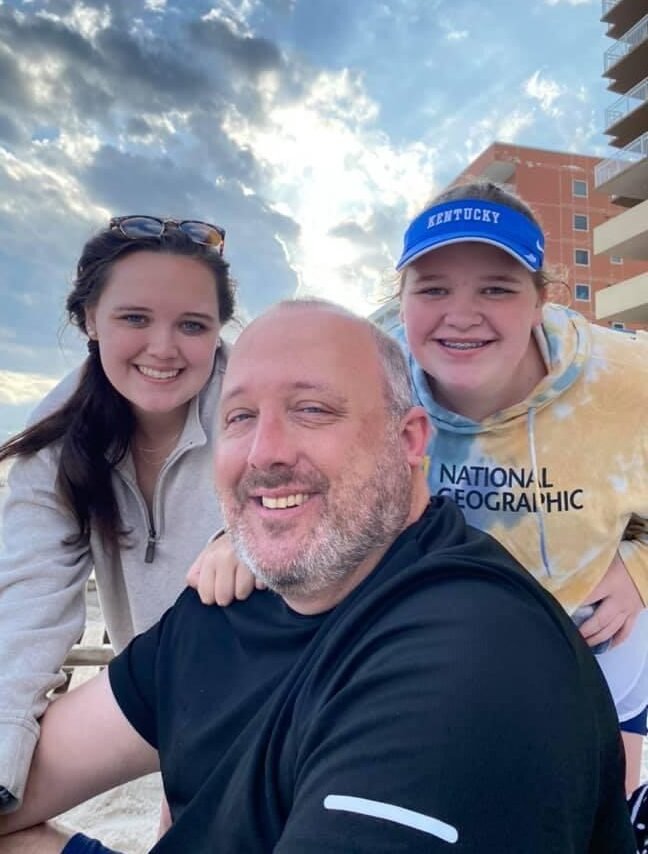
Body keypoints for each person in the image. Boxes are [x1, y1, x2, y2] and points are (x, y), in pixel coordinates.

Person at [0, 300, 635, 853]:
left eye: (311, 409)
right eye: (239, 417)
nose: (265, 452)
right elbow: (17, 780)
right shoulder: (221, 610)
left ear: (410, 441)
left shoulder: (475, 654)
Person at [393, 180, 648, 791]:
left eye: (496, 288)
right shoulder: (373, 378)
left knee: (593, 818)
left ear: (540, 300)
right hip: (429, 660)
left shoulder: (625, 378)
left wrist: (641, 566)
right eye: (433, 288)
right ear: (400, 301)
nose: (461, 315)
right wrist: (233, 543)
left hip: (595, 648)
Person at [0, 216, 236, 812]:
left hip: (273, 693)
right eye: (135, 318)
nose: (164, 347)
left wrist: (252, 544)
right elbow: (28, 599)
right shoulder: (58, 439)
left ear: (219, 331)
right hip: (152, 698)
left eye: (192, 324)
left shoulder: (261, 411)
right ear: (89, 319)